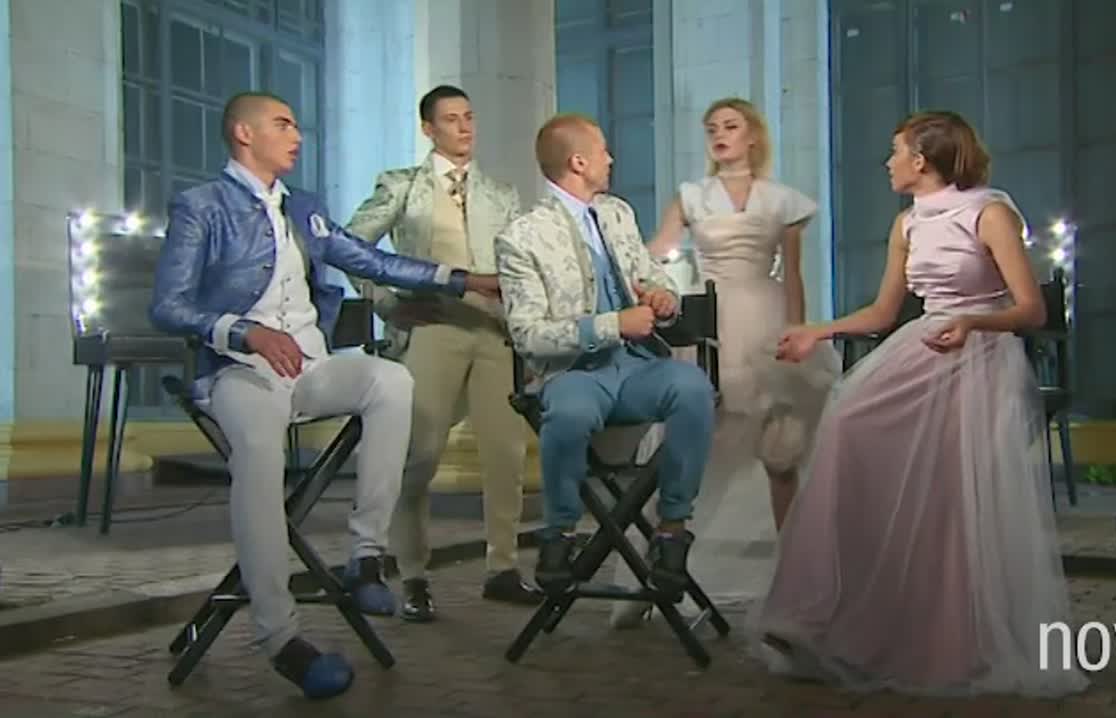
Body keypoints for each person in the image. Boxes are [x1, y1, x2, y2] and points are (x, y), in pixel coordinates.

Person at [150, 91, 500, 700]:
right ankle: (281, 638)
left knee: (390, 380)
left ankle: (366, 556)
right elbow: (167, 305)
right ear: (244, 133)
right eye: (283, 124)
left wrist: (463, 279)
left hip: (309, 369)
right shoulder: (201, 207)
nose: (297, 135)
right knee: (258, 454)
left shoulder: (304, 208)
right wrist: (243, 331)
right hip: (239, 373)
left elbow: (369, 260)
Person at [753, 110, 1088, 697]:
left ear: (922, 160)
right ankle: (826, 610)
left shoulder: (989, 213)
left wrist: (972, 322)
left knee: (952, 495)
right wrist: (815, 332)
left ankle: (950, 640)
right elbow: (883, 313)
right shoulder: (907, 223)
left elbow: (1031, 310)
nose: (888, 163)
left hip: (979, 356)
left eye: (896, 151)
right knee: (849, 421)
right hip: (924, 345)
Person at [611, 97, 839, 627]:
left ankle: (795, 580)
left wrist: (796, 329)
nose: (720, 134)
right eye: (712, 127)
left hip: (767, 318)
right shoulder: (692, 195)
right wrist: (622, 267)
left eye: (731, 126)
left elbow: (794, 274)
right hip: (713, 324)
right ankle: (645, 574)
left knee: (781, 453)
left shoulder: (784, 200)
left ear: (752, 135)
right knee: (686, 446)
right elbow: (655, 250)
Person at [493, 113, 717, 595]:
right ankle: (559, 534)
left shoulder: (618, 214)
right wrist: (614, 324)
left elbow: (651, 275)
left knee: (694, 389)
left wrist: (663, 297)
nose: (610, 158)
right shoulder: (521, 237)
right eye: (602, 150)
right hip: (573, 373)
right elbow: (528, 334)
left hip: (637, 366)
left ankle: (672, 531)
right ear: (578, 162)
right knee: (569, 415)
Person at [346, 84, 539, 620]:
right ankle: (413, 575)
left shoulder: (501, 194)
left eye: (469, 117)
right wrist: (388, 304)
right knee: (420, 454)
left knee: (505, 453)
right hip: (433, 327)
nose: (464, 127)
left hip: (494, 331)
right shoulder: (402, 186)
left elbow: (519, 265)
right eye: (452, 119)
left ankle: (503, 568)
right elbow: (352, 248)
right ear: (428, 129)